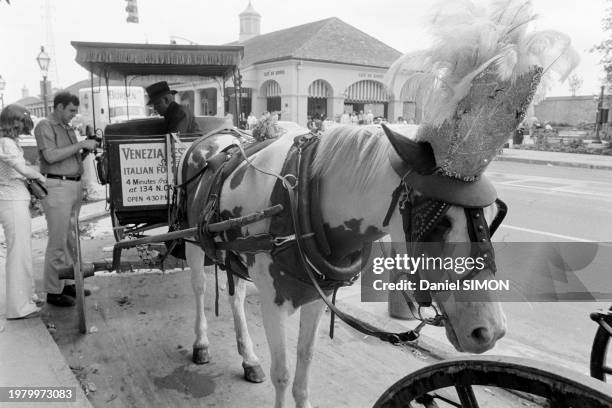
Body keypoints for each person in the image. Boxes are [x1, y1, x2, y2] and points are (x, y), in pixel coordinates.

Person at [34, 92, 98, 307]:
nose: (73, 114)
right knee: (58, 241)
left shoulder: (67, 127)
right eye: (71, 110)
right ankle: (53, 291)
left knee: (71, 240)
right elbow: (51, 156)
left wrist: (86, 149)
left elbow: (69, 158)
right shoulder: (45, 125)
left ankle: (69, 282)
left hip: (71, 185)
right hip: (57, 186)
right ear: (59, 107)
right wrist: (80, 145)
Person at [0, 105, 45, 319]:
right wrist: (41, 177)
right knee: (18, 254)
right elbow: (22, 169)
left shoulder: (8, 142)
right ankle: (18, 307)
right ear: (12, 122)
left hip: (14, 200)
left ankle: (27, 297)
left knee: (23, 251)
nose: (21, 129)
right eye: (19, 125)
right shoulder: (6, 142)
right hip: (12, 201)